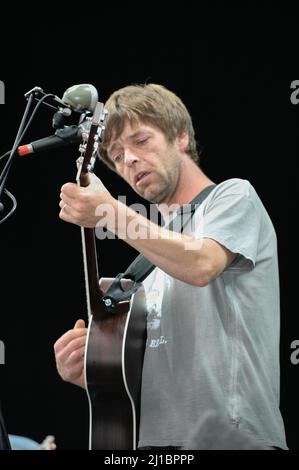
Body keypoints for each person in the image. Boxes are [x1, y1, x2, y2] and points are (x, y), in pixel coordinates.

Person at [54, 83, 287, 450]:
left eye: (141, 140)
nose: (127, 159)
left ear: (180, 137)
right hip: (150, 447)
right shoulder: (147, 267)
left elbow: (201, 264)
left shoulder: (232, 197)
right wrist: (95, 370)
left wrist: (109, 212)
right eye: (116, 155)